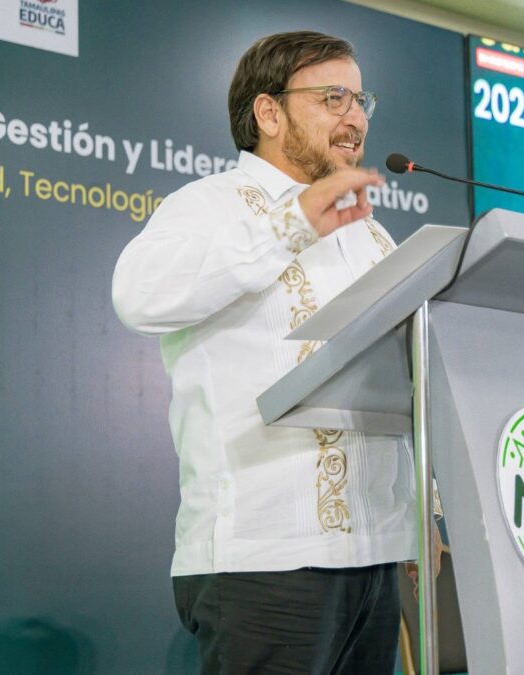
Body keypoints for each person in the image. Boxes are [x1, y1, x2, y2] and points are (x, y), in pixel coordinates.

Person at [112, 31, 437, 674]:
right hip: (263, 560)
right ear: (269, 112)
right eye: (333, 97)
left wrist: (416, 516)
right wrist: (294, 224)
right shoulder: (207, 206)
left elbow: (400, 380)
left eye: (361, 98)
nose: (357, 117)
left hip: (374, 557)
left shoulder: (370, 234)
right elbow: (138, 296)